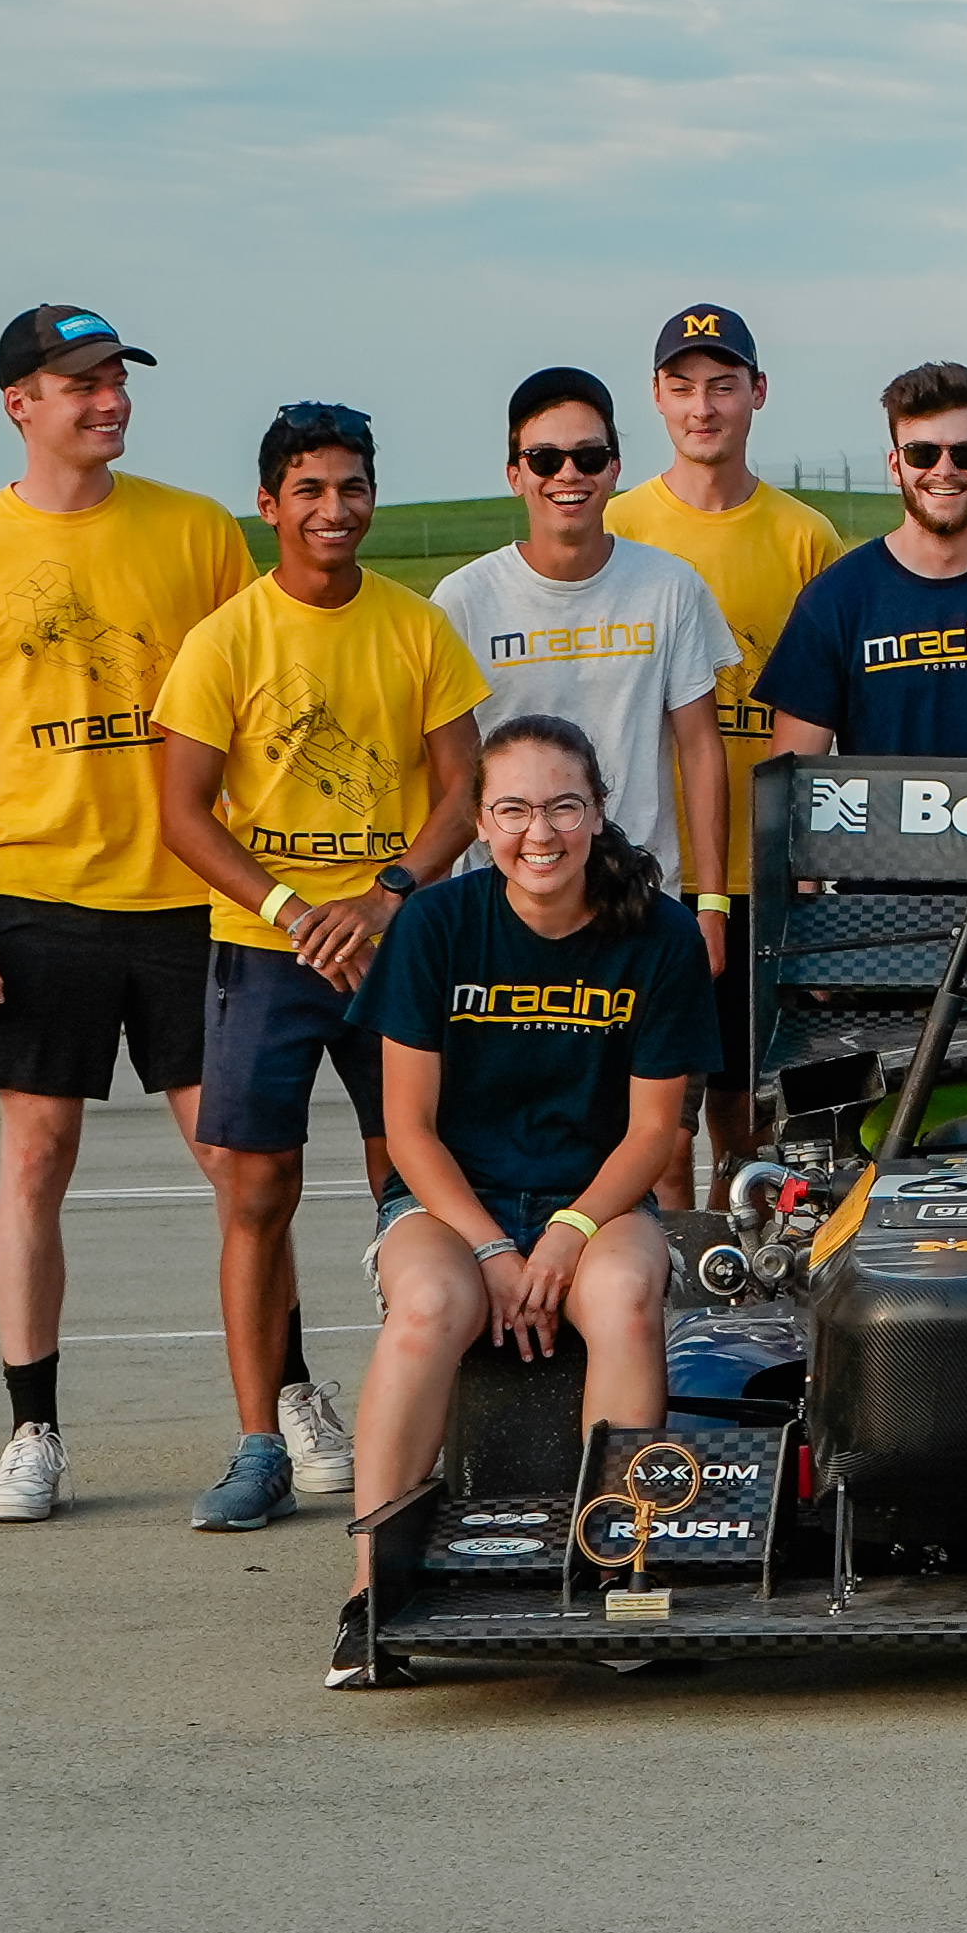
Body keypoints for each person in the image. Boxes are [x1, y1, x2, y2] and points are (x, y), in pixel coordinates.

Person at [0, 307, 263, 1527]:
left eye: (115, 379)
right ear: (18, 403)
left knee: (240, 1166)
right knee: (36, 1159)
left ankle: (282, 1404)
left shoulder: (196, 531)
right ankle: (33, 1429)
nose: (108, 399)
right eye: (79, 381)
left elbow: (254, 699)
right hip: (32, 894)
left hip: (189, 897)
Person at [150, 407, 491, 1535]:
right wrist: (294, 907)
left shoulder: (415, 627)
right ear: (270, 503)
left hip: (396, 948)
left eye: (351, 487)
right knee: (255, 1190)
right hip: (269, 952)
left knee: (416, 1187)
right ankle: (261, 1447)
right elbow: (182, 812)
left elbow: (462, 789)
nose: (333, 509)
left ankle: (431, 1434)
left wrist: (389, 894)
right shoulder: (226, 639)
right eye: (309, 490)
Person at [327, 713, 716, 1690]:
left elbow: (655, 1134)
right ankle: (371, 1592)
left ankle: (615, 1569)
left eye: (560, 807)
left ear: (596, 813)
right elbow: (408, 1130)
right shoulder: (435, 924)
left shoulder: (658, 934)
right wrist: (496, 1249)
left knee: (624, 1298)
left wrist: (573, 1230)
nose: (537, 833)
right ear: (478, 821)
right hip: (458, 1199)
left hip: (596, 1195)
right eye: (511, 810)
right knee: (429, 1308)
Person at [604, 301, 834, 1192]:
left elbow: (821, 713)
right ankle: (664, 1295)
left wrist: (807, 852)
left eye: (724, 386)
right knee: (658, 1123)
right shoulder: (621, 522)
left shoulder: (801, 536)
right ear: (657, 398)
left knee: (748, 1116)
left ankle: (745, 1294)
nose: (704, 407)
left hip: (757, 867)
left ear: (757, 394)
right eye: (683, 387)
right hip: (643, 865)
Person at [430, 368, 734, 924]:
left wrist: (710, 904)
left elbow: (699, 748)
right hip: (504, 896)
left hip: (637, 894)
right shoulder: (464, 599)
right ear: (514, 475)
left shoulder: (671, 587)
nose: (568, 474)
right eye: (544, 459)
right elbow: (450, 771)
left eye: (588, 458)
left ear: (614, 469)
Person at [762, 361, 967, 761]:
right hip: (877, 826)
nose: (944, 470)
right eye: (922, 453)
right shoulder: (834, 601)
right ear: (896, 466)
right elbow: (793, 783)